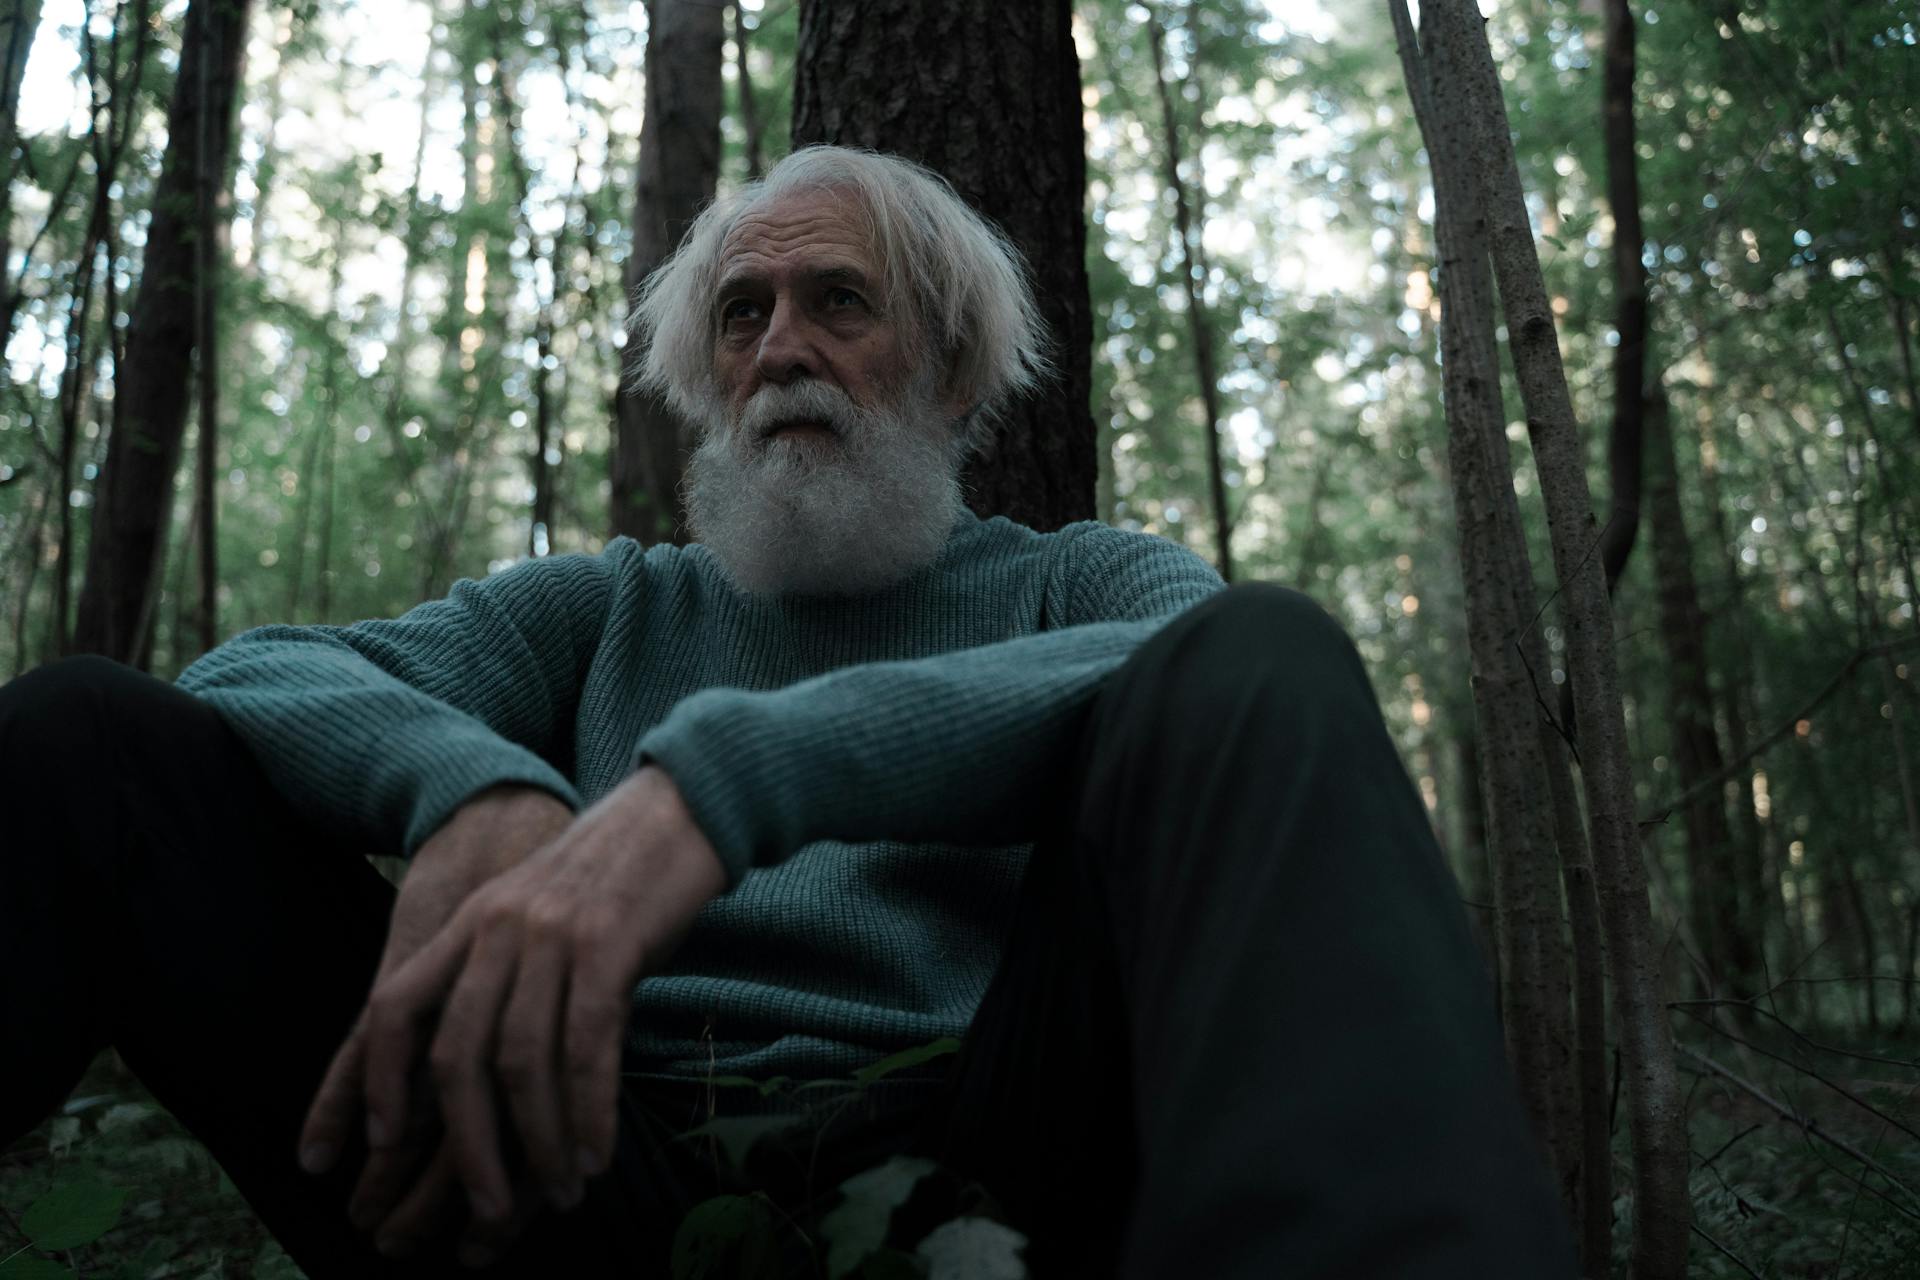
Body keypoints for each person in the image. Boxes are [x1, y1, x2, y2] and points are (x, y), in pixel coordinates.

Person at [0, 146, 1574, 1277]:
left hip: (1003, 1152)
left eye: (839, 301)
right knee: (88, 741)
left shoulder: (1076, 580)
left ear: (950, 369)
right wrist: (476, 791)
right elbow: (246, 679)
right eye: (741, 316)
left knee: (1266, 656)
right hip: (573, 1153)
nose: (781, 349)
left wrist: (721, 781)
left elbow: (1213, 669)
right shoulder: (610, 603)